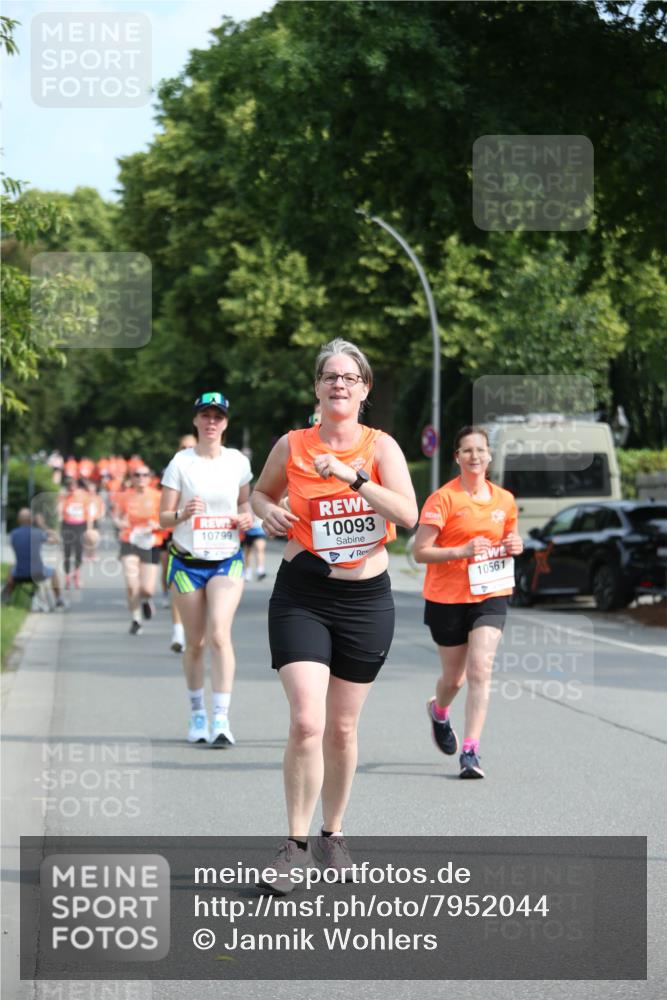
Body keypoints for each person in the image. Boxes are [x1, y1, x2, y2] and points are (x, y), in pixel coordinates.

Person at [251, 338, 417, 889]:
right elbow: (259, 494)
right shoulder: (293, 444)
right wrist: (269, 511)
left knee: (342, 729)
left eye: (350, 377)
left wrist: (354, 478)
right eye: (330, 377)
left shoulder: (381, 447)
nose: (339, 385)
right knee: (307, 720)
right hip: (303, 594)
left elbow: (409, 516)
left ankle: (333, 832)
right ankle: (294, 845)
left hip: (366, 601)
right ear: (317, 388)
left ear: (364, 390)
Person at [413, 425, 523, 779]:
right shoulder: (443, 499)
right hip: (447, 597)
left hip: (490, 593)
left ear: (489, 456)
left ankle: (471, 751)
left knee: (480, 669)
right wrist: (461, 550)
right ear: (457, 457)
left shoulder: (504, 500)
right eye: (467, 451)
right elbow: (420, 552)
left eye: (481, 450)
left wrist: (514, 545)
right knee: (454, 678)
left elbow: (508, 537)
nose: (475, 456)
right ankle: (439, 711)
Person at [160, 393, 254, 747]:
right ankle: (197, 713)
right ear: (196, 422)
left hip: (226, 559)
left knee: (219, 634)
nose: (211, 421)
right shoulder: (181, 463)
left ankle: (221, 718)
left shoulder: (236, 463)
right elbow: (163, 517)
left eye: (218, 416)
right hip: (187, 561)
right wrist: (182, 515)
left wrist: (247, 517)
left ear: (226, 423)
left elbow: (246, 502)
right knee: (196, 642)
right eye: (205, 415)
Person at [112, 466, 163, 634]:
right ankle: (136, 619)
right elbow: (116, 517)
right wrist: (120, 523)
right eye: (137, 475)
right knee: (132, 584)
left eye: (145, 474)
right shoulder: (124, 496)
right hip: (130, 541)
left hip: (151, 541)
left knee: (147, 588)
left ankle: (146, 600)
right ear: (132, 478)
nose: (141, 477)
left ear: (150, 477)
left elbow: (166, 518)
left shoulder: (157, 496)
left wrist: (157, 525)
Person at [160, 433, 197, 650]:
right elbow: (163, 504)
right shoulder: (174, 468)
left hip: (202, 537)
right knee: (174, 578)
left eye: (190, 446)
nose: (186, 449)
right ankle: (177, 632)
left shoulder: (213, 467)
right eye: (183, 446)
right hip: (174, 530)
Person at [5, 508, 65, 608]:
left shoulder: (13, 534)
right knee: (53, 572)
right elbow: (57, 540)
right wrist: (42, 525)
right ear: (31, 520)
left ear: (18, 521)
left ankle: (6, 597)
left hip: (20, 573)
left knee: (11, 568)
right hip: (38, 573)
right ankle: (59, 599)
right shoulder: (37, 533)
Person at [58, 478, 92, 589]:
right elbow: (59, 512)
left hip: (80, 525)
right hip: (67, 525)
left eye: (73, 486)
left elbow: (89, 513)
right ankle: (67, 576)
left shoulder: (84, 496)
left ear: (77, 486)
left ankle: (76, 574)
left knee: (78, 551)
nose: (71, 488)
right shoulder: (64, 496)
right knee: (67, 552)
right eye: (69, 486)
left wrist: (89, 529)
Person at [242, 514, 267, 581]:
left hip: (259, 529)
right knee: (247, 551)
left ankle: (260, 570)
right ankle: (248, 571)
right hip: (248, 529)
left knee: (260, 549)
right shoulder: (245, 503)